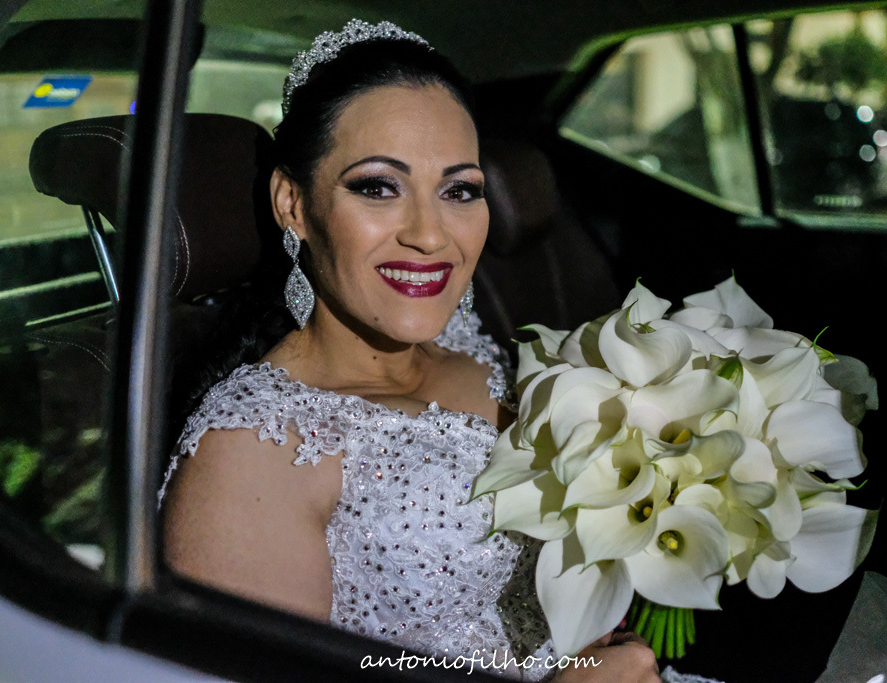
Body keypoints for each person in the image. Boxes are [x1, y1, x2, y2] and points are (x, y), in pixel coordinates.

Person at [159, 19, 666, 682]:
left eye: (459, 190)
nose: (430, 235)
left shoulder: (470, 345)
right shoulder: (251, 450)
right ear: (293, 203)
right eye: (377, 186)